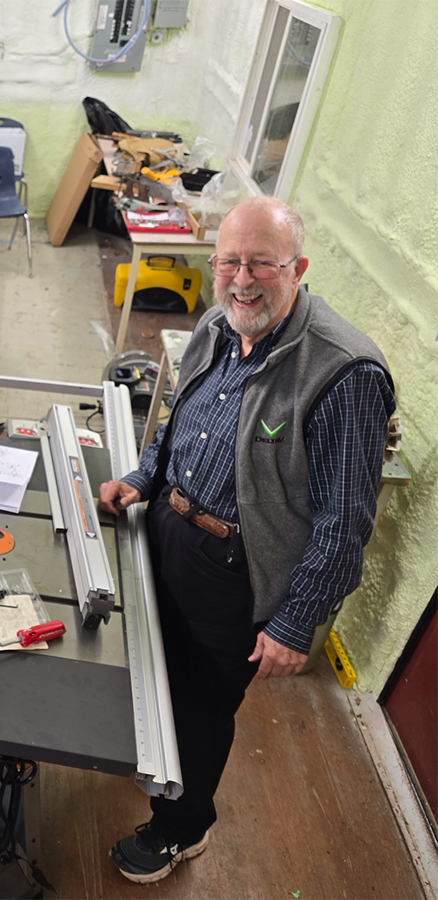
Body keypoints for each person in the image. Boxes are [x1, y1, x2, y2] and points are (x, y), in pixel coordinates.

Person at [99, 196, 395, 883]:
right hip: (169, 527)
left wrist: (294, 626)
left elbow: (345, 520)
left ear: (299, 267)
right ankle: (154, 763)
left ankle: (182, 826)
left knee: (201, 705)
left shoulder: (345, 373)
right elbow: (180, 420)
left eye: (261, 262)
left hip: (236, 568)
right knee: (149, 667)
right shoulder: (217, 322)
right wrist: (144, 476)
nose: (241, 279)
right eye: (229, 261)